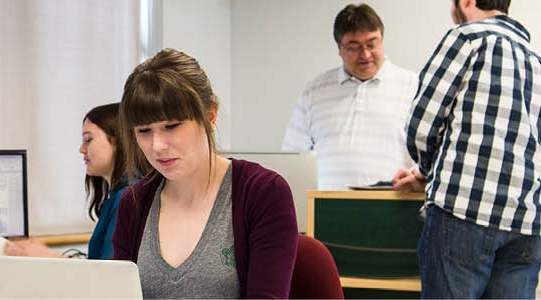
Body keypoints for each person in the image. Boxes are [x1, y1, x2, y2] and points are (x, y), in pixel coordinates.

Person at [111, 48, 298, 299]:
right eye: (144, 131)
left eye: (171, 126)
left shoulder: (262, 193)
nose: (157, 145)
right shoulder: (133, 203)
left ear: (210, 116)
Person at [393, 0, 541, 298]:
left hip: (464, 211)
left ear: (467, 2)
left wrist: (425, 171)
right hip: (527, 222)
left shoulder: (467, 38)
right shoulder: (537, 61)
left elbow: (423, 123)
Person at [282, 3, 418, 190]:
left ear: (382, 40)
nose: (366, 54)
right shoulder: (315, 91)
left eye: (372, 44)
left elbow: (432, 155)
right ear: (339, 48)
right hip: (327, 208)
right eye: (354, 47)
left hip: (395, 205)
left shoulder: (413, 86)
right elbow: (293, 158)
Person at [5, 103, 133, 260]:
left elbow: (109, 274)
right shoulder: (118, 196)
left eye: (88, 139)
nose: (81, 149)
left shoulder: (127, 198)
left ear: (117, 141)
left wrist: (44, 256)